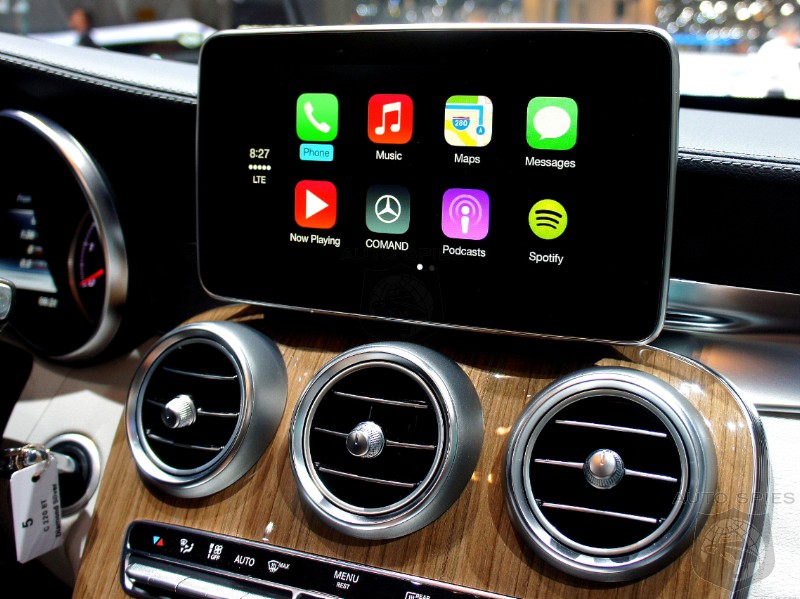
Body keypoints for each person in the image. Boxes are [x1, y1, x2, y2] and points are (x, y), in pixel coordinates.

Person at [756, 16, 800, 98]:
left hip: (788, 92)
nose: (797, 37)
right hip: (774, 92)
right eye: (796, 33)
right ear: (787, 32)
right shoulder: (772, 47)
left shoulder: (791, 48)